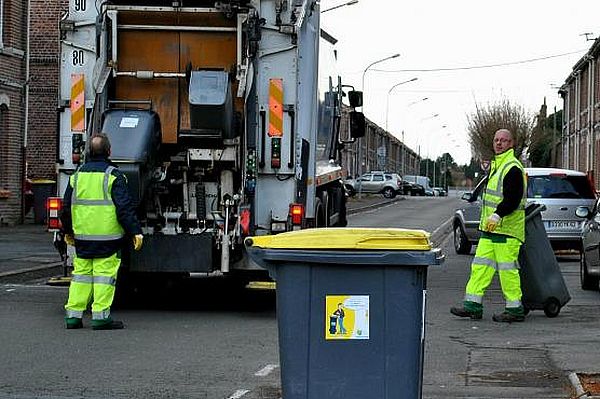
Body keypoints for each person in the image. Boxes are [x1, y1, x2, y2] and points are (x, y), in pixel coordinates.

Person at [61, 133, 143, 330]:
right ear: (109, 151)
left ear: (88, 151)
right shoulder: (113, 176)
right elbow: (124, 208)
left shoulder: (77, 177)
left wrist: (68, 231)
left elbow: (66, 207)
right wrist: (135, 231)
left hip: (82, 237)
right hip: (108, 239)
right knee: (104, 276)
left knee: (81, 275)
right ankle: (100, 317)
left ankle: (73, 316)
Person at [451, 128, 527, 323]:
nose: (499, 143)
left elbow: (513, 198)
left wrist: (497, 214)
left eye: (503, 140)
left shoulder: (512, 167)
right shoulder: (497, 166)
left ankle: (515, 309)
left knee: (507, 272)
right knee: (480, 268)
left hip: (507, 230)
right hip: (491, 230)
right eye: (496, 140)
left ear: (511, 144)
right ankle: (472, 306)